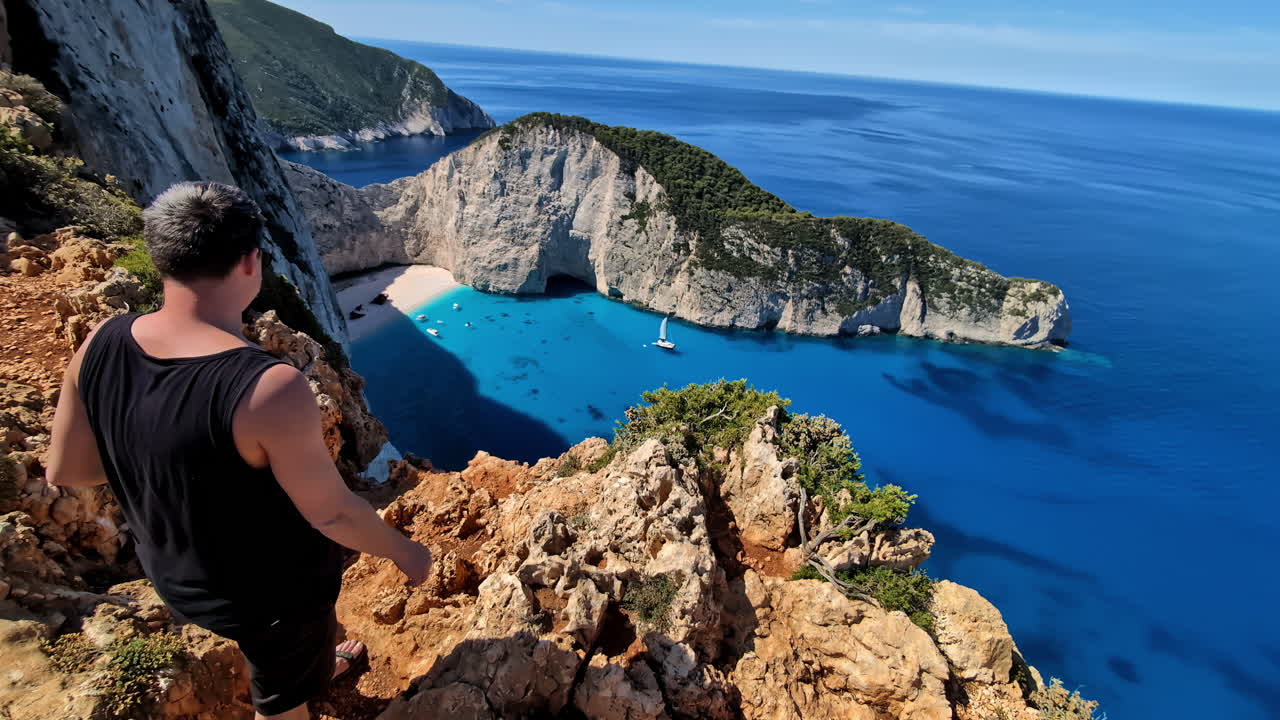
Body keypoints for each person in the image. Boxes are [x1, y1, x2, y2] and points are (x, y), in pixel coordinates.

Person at [46, 181, 432, 719]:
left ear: (160, 257)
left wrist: (170, 466)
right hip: (271, 602)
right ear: (251, 262)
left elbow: (68, 469)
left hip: (172, 575)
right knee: (281, 705)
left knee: (296, 654)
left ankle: (319, 663)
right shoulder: (266, 387)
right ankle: (296, 685)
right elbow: (335, 513)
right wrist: (405, 552)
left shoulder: (102, 340)